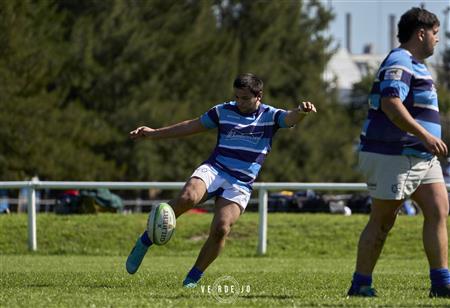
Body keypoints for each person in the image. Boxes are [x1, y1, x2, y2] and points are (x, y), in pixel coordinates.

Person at [126, 73, 317, 287]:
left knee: (221, 229)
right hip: (215, 169)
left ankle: (193, 278)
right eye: (236, 97)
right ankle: (145, 240)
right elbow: (191, 126)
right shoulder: (223, 111)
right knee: (187, 198)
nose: (239, 103)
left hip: (240, 182)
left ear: (259, 96)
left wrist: (301, 112)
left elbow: (289, 117)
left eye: (245, 98)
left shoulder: (270, 115)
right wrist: (154, 133)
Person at [348, 8, 450, 298]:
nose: (437, 40)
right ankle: (360, 285)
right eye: (435, 34)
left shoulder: (416, 64)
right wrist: (426, 135)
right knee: (382, 221)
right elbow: (391, 103)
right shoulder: (399, 60)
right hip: (393, 154)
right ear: (421, 33)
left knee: (438, 210)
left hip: (419, 156)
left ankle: (442, 284)